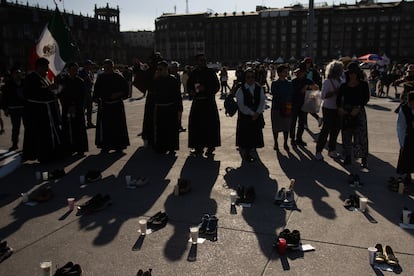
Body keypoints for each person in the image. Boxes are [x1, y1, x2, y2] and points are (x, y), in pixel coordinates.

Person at [22, 57, 63, 162]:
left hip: (48, 111)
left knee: (50, 134)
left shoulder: (45, 77)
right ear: (39, 67)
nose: (47, 69)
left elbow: (50, 92)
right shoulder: (31, 78)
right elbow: (32, 93)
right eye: (45, 67)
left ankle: (53, 153)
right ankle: (43, 156)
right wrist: (49, 89)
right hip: (38, 113)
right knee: (41, 136)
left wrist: (56, 89)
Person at [186, 53, 221, 156]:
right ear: (196, 62)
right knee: (196, 126)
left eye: (204, 60)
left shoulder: (210, 72)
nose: (203, 62)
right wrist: (191, 91)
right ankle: (198, 147)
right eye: (201, 60)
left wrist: (205, 88)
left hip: (208, 103)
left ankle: (210, 147)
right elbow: (189, 85)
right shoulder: (193, 73)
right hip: (197, 103)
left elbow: (216, 86)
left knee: (210, 125)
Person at [337, 62, 370, 168]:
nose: (352, 75)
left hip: (358, 111)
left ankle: (363, 157)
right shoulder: (344, 86)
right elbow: (338, 99)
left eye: (354, 73)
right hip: (346, 111)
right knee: (346, 134)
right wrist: (340, 108)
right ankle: (347, 156)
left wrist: (358, 107)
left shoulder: (363, 85)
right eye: (350, 73)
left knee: (361, 136)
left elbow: (366, 98)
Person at [93, 59, 130, 152]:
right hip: (104, 105)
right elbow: (96, 90)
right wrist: (96, 98)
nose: (106, 69)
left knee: (117, 126)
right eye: (104, 67)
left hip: (116, 105)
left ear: (112, 67)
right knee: (105, 127)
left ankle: (119, 145)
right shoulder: (100, 78)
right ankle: (105, 145)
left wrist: (118, 94)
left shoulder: (118, 77)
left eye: (108, 67)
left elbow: (126, 90)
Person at [315, 60, 344, 160]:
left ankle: (332, 150)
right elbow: (322, 96)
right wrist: (334, 92)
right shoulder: (328, 81)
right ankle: (318, 151)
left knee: (336, 130)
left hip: (338, 108)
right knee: (325, 130)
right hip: (328, 108)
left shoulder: (341, 80)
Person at [151, 61, 182, 154]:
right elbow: (152, 92)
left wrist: (179, 108)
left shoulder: (173, 80)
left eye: (160, 69)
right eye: (158, 69)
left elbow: (177, 95)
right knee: (160, 128)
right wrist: (154, 78)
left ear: (165, 69)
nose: (159, 71)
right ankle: (161, 147)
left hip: (171, 107)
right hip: (160, 108)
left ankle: (172, 147)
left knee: (171, 128)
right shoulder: (156, 80)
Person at [236, 68, 266, 162]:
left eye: (252, 77)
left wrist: (258, 112)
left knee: (254, 135)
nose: (250, 79)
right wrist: (252, 113)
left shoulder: (258, 88)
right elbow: (241, 105)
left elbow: (262, 102)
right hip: (245, 116)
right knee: (246, 136)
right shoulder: (241, 89)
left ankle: (251, 149)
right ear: (245, 78)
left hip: (256, 115)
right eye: (248, 77)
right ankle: (246, 154)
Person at [59, 62, 88, 155]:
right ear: (68, 70)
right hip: (67, 108)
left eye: (76, 70)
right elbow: (60, 94)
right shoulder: (63, 81)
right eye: (72, 69)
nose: (74, 71)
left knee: (79, 128)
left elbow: (83, 96)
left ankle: (80, 148)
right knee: (67, 128)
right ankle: (68, 148)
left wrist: (77, 106)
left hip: (78, 108)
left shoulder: (80, 81)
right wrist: (67, 105)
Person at [290, 62, 319, 147]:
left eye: (300, 72)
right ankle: (292, 139)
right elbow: (298, 91)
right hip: (295, 104)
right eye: (297, 73)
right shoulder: (294, 81)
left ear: (304, 73)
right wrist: (305, 87)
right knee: (293, 122)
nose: (298, 74)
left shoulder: (307, 81)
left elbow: (316, 88)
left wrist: (310, 86)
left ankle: (299, 138)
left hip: (304, 104)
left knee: (301, 123)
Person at [270, 64, 294, 152]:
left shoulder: (289, 83)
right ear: (279, 73)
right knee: (275, 126)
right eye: (284, 71)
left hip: (287, 107)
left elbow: (291, 94)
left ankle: (285, 142)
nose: (286, 73)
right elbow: (275, 93)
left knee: (286, 126)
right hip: (277, 107)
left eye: (287, 71)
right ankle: (276, 142)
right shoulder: (275, 83)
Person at [1, 67, 25, 150]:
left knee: (28, 126)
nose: (18, 74)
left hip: (24, 107)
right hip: (13, 108)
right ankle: (15, 144)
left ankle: (28, 144)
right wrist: (5, 108)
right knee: (15, 127)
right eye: (16, 73)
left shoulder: (24, 82)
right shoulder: (8, 84)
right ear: (12, 75)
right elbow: (4, 98)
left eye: (19, 72)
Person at [396, 91, 414, 186]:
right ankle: (407, 174)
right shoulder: (404, 110)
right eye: (411, 103)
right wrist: (402, 143)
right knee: (407, 157)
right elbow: (400, 127)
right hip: (408, 137)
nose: (412, 105)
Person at [303, 57, 323, 128]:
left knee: (306, 108)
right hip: (305, 91)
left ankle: (306, 124)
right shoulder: (303, 70)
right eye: (306, 63)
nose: (307, 64)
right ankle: (317, 119)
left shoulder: (313, 71)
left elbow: (318, 81)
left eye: (309, 63)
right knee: (306, 108)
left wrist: (317, 89)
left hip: (311, 91)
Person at [78, 59, 96, 128]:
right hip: (82, 93)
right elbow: (78, 82)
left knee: (90, 108)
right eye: (90, 65)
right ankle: (82, 123)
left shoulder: (91, 73)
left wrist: (90, 80)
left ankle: (89, 122)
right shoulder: (80, 73)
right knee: (82, 109)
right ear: (86, 65)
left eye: (91, 65)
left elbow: (92, 82)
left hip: (89, 92)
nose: (91, 66)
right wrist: (84, 79)